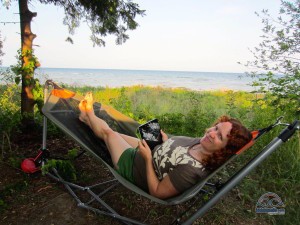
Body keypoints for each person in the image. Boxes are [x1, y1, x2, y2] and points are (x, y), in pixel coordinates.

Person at [78, 92, 252, 199]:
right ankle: (86, 119)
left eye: (219, 136)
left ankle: (87, 111)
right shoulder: (201, 142)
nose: (211, 133)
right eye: (215, 128)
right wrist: (166, 140)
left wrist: (147, 159)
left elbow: (157, 192)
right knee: (110, 134)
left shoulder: (191, 171)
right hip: (150, 151)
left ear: (224, 150)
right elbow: (176, 153)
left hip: (134, 167)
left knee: (110, 134)